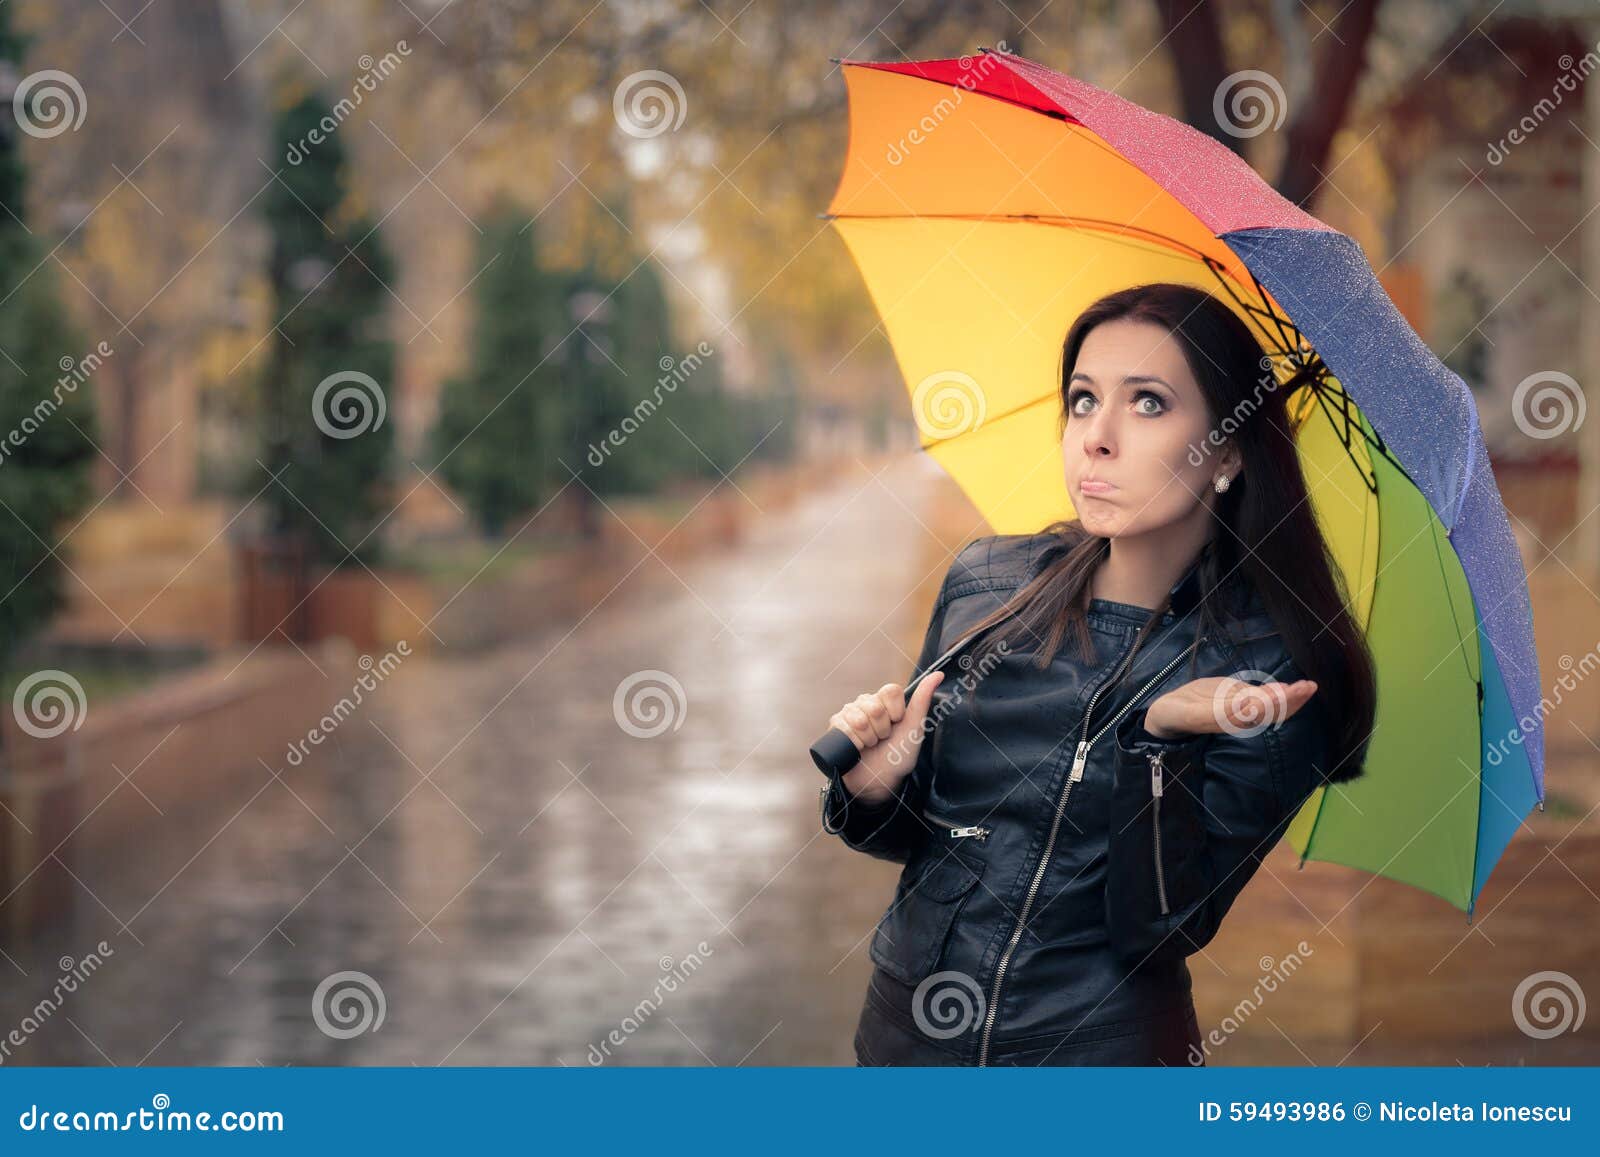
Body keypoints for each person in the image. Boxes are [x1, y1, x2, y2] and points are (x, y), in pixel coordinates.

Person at [822, 282, 1377, 1066]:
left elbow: (1164, 925)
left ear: (1228, 449)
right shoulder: (988, 584)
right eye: (1083, 400)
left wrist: (1161, 743)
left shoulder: (1270, 673)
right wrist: (875, 790)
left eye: (1148, 403)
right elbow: (936, 844)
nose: (1097, 438)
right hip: (905, 1045)